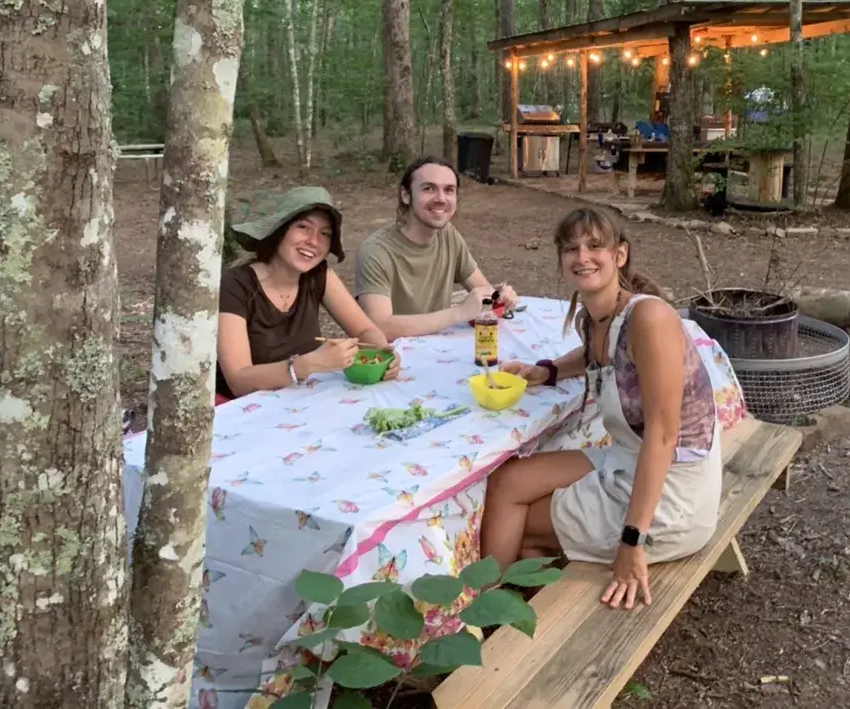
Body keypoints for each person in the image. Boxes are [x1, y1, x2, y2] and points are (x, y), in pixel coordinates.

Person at [479, 205, 720, 611]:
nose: (582, 257)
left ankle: (492, 617)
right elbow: (601, 353)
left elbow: (664, 436)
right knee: (508, 482)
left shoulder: (650, 318)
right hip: (628, 457)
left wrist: (632, 541)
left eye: (594, 246)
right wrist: (547, 371)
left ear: (620, 255)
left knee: (519, 527)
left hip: (674, 492)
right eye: (571, 248)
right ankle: (509, 602)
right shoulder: (594, 318)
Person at [216, 186, 400, 403]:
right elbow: (238, 381)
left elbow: (364, 329)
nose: (313, 241)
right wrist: (310, 364)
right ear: (279, 230)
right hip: (243, 409)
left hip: (303, 400)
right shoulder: (234, 285)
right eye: (303, 227)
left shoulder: (318, 275)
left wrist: (383, 353)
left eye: (325, 234)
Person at [354, 156, 519, 339]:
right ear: (406, 195)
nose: (441, 199)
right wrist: (459, 312)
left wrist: (499, 294)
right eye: (428, 188)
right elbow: (379, 327)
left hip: (438, 347)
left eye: (449, 190)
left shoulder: (448, 235)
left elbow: (483, 292)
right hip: (393, 353)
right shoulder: (376, 252)